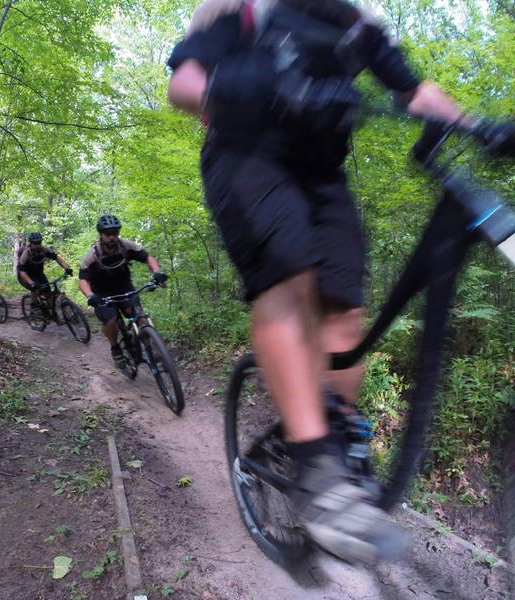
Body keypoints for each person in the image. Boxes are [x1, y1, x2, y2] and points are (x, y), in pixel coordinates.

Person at [165, 0, 512, 564]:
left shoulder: (361, 26)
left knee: (346, 306)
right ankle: (315, 468)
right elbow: (185, 84)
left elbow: (415, 92)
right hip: (246, 156)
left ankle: (339, 433)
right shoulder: (242, 9)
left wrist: (477, 126)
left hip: (323, 174)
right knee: (289, 272)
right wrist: (249, 85)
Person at [78, 215, 167, 368]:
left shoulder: (126, 246)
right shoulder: (92, 256)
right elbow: (83, 281)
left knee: (140, 317)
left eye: (115, 232)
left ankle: (152, 348)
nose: (112, 237)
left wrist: (157, 272)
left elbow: (148, 258)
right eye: (108, 234)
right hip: (101, 293)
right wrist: (90, 295)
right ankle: (115, 348)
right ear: (100, 234)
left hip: (124, 288)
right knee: (111, 321)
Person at [17, 232, 73, 304]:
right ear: (30, 244)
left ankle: (48, 311)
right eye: (35, 243)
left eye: (39, 243)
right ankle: (34, 309)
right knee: (36, 289)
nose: (37, 245)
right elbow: (22, 272)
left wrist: (66, 268)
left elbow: (57, 258)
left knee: (48, 293)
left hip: (39, 274)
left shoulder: (45, 250)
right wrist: (31, 283)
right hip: (25, 276)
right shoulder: (26, 254)